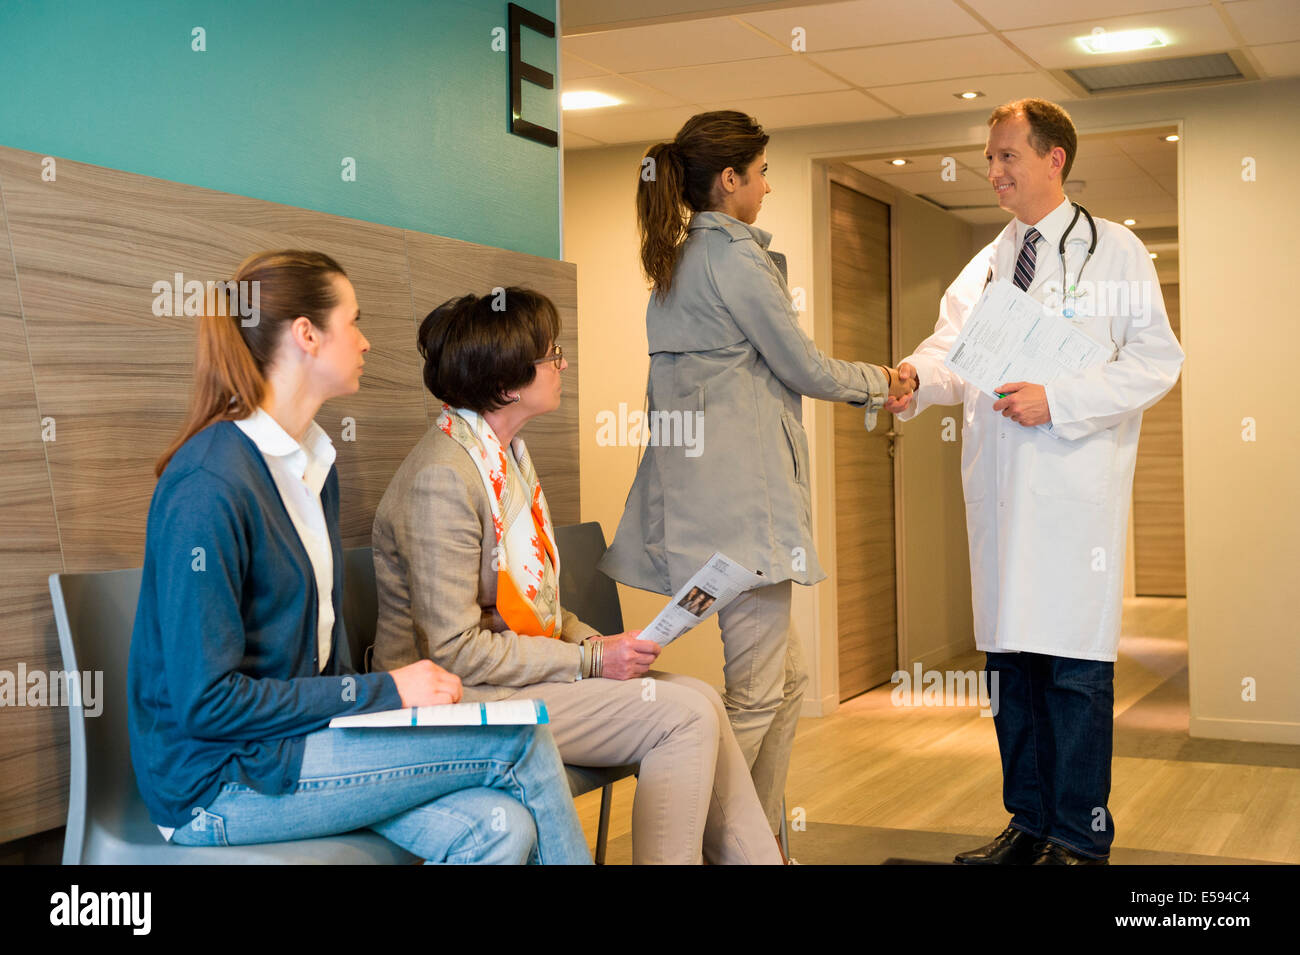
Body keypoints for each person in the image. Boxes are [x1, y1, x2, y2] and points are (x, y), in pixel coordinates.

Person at [128, 250, 592, 865]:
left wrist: (374, 705)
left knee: (501, 828)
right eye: (353, 322)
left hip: (303, 746)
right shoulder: (208, 484)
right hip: (220, 783)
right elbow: (206, 702)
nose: (367, 341)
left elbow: (319, 661)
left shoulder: (311, 464)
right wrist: (384, 692)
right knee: (522, 738)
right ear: (306, 336)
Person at [371, 287, 782, 865]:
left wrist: (596, 642)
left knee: (702, 697)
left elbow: (533, 603)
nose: (564, 365)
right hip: (452, 702)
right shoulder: (442, 478)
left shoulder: (504, 456)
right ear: (509, 384)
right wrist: (592, 662)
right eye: (552, 355)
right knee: (680, 716)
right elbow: (454, 652)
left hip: (512, 679)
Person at [887, 99, 1185, 865]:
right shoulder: (989, 260)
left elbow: (1157, 361)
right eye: (990, 157)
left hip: (1072, 497)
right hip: (1001, 498)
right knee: (1012, 674)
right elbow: (952, 349)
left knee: (1072, 679)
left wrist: (1060, 401)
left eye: (1007, 156)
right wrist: (914, 375)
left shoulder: (1114, 251)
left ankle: (1078, 840)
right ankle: (1027, 825)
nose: (992, 171)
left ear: (1055, 159)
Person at [599, 110, 913, 833]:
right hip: (745, 517)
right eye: (762, 172)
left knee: (785, 681)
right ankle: (710, 841)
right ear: (730, 178)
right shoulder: (733, 258)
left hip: (705, 512)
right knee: (756, 693)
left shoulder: (674, 264)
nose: (767, 186)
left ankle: (761, 839)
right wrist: (882, 379)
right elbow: (800, 364)